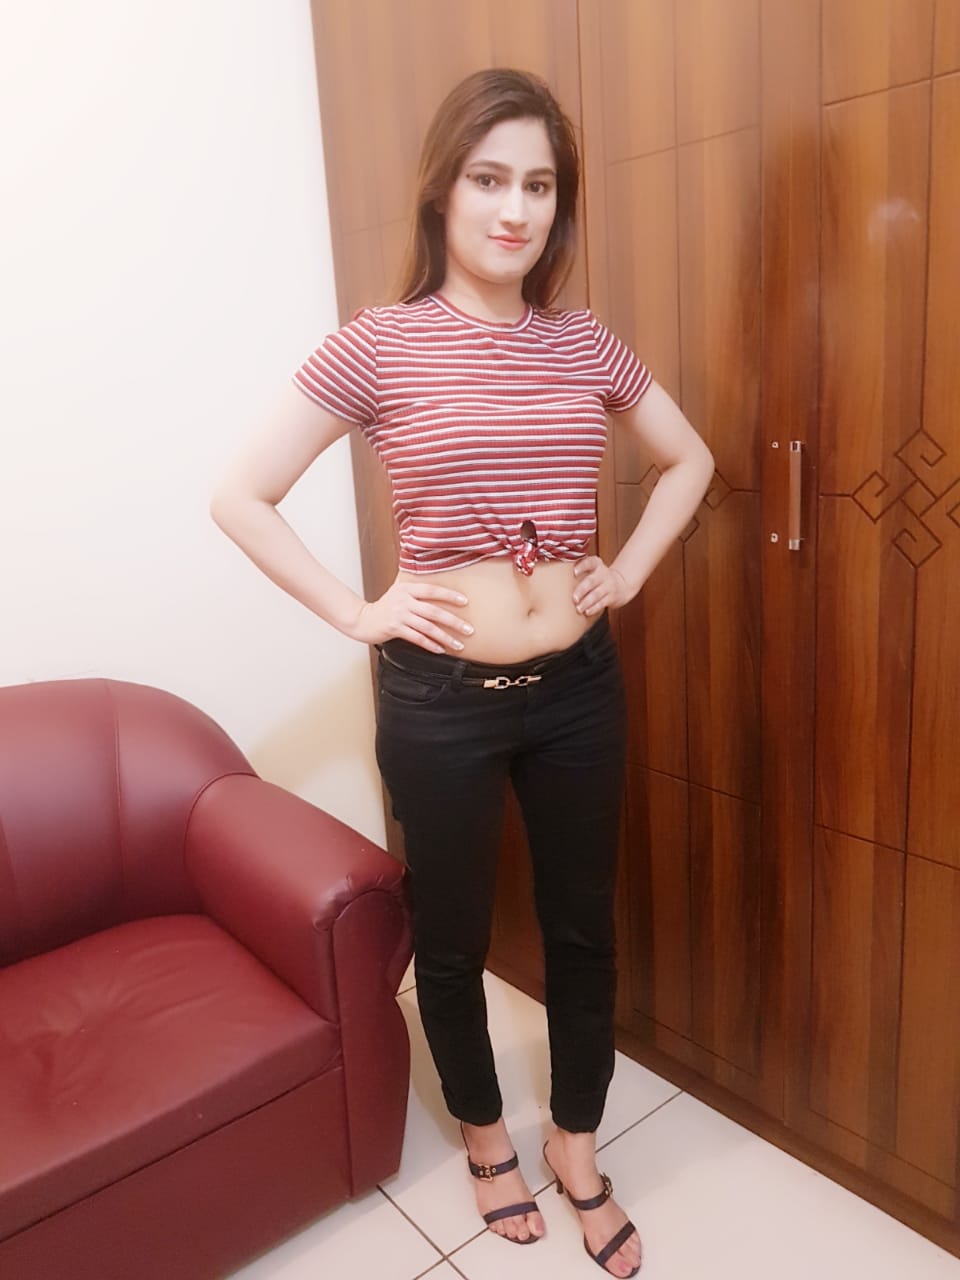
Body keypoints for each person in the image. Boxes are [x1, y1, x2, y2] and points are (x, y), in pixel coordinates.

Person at [211, 67, 713, 1279]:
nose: (516, 208)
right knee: (450, 930)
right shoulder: (379, 343)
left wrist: (625, 572)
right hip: (439, 701)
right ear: (444, 190)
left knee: (583, 926)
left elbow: (689, 460)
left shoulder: (583, 341)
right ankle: (487, 1134)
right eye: (491, 179)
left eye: (539, 185)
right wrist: (358, 610)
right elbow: (241, 495)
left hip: (577, 689)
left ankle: (577, 1141)